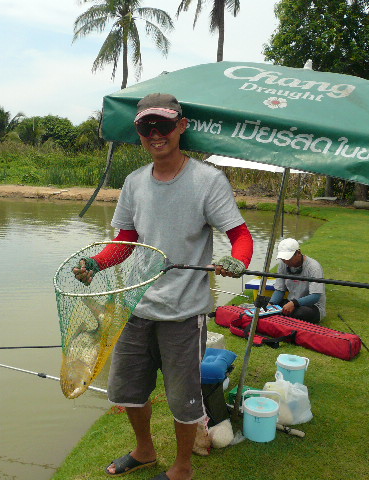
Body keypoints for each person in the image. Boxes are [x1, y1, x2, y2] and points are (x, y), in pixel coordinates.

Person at [73, 93, 253, 480]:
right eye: (146, 127)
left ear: (181, 127)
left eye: (164, 125)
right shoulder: (135, 183)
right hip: (137, 307)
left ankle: (183, 467)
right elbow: (123, 243)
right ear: (139, 131)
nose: (156, 134)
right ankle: (144, 450)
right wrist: (95, 263)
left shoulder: (208, 180)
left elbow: (239, 234)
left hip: (184, 315)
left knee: (185, 401)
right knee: (127, 392)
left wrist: (239, 261)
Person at [269, 237, 326, 324]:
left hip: (311, 306)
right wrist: (271, 304)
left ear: (298, 253)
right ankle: (278, 314)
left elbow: (315, 296)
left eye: (289, 258)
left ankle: (279, 316)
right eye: (283, 259)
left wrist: (294, 303)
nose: (286, 262)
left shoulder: (314, 267)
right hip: (291, 302)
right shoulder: (283, 264)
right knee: (262, 301)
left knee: (302, 313)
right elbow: (280, 289)